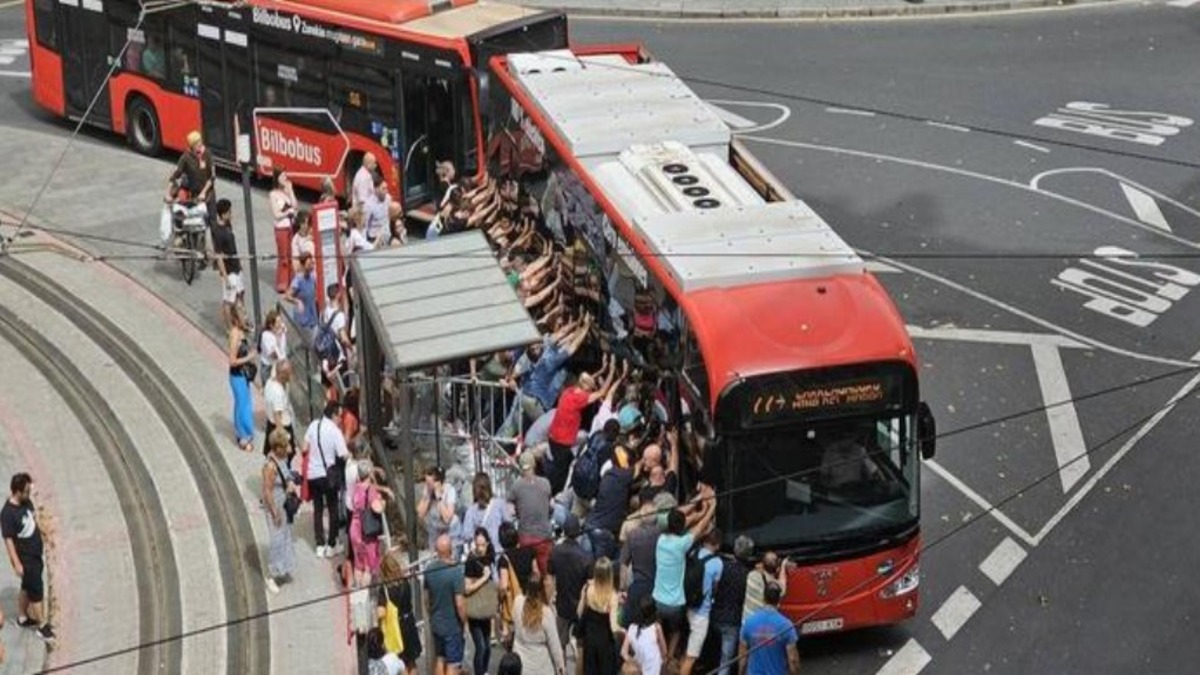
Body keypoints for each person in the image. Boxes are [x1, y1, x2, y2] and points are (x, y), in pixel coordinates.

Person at [653, 501, 715, 665]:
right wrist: (711, 506)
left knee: (657, 628)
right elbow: (701, 527)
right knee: (676, 631)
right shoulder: (682, 544)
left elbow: (679, 520)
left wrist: (697, 502)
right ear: (681, 527)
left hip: (657, 600)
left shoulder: (660, 540)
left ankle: (658, 654)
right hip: (675, 604)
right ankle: (668, 658)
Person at [1, 473, 54, 643]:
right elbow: (8, 541)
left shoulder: (26, 501)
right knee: (36, 592)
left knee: (26, 587)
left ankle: (23, 618)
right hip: (26, 559)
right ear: (17, 492)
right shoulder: (7, 514)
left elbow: (33, 518)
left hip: (35, 554)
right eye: (26, 491)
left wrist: (43, 534)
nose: (29, 493)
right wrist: (16, 563)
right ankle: (42, 626)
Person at [546, 369, 609, 496]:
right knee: (560, 472)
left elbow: (584, 382)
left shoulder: (569, 391)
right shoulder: (580, 399)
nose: (591, 390)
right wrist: (611, 371)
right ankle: (553, 493)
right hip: (562, 442)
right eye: (590, 388)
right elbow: (602, 392)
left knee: (566, 460)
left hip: (553, 437)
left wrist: (602, 369)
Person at [302, 400, 350, 558]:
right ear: (334, 414)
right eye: (340, 416)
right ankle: (332, 544)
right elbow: (343, 454)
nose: (340, 420)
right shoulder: (335, 431)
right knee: (333, 508)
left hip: (313, 475)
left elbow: (304, 447)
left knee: (318, 508)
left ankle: (319, 544)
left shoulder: (313, 425)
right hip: (328, 475)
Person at [546, 514, 592, 654]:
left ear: (564, 531)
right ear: (578, 532)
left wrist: (548, 601)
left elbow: (550, 578)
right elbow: (590, 585)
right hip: (580, 607)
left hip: (562, 605)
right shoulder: (585, 557)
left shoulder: (555, 552)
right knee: (580, 645)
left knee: (560, 645)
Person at [682, 529, 724, 675]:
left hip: (687, 606)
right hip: (701, 613)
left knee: (688, 648)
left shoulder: (694, 553)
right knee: (691, 657)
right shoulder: (717, 563)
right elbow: (715, 588)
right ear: (717, 545)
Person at [261, 429, 298, 593]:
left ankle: (283, 567)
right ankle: (271, 576)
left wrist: (290, 482)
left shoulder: (281, 458)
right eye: (284, 445)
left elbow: (287, 472)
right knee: (276, 540)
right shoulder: (269, 466)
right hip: (275, 505)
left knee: (285, 536)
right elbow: (267, 490)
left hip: (284, 503)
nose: (288, 448)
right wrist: (274, 512)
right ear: (278, 448)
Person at [711, 535, 754, 675]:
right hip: (732, 621)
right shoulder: (747, 575)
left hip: (715, 615)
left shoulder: (723, 566)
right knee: (726, 660)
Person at [584, 442, 633, 563]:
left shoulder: (609, 474)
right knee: (602, 570)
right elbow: (634, 469)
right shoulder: (622, 476)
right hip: (602, 533)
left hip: (592, 526)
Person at [425, 534, 467, 675]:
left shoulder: (429, 569)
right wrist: (464, 621)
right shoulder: (456, 572)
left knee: (440, 658)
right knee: (453, 663)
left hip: (437, 624)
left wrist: (431, 614)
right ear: (451, 550)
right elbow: (460, 604)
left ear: (437, 551)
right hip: (452, 625)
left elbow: (426, 598)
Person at [739, 583, 800, 675]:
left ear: (763, 598)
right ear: (779, 600)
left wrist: (741, 673)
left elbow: (743, 658)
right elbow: (793, 660)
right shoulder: (786, 626)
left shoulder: (748, 623)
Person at [509, 451, 553, 574]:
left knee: (529, 574)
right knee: (546, 573)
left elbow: (510, 509)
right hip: (544, 536)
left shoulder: (516, 486)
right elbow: (550, 504)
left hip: (525, 537)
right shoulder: (546, 483)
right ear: (534, 465)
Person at [512, 574, 565, 675]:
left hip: (521, 665)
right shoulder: (546, 613)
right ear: (542, 590)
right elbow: (555, 646)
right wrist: (560, 668)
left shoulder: (518, 603)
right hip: (542, 667)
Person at [577, 556, 621, 675]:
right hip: (605, 642)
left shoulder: (588, 589)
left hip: (590, 638)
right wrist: (624, 631)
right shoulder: (612, 596)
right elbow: (613, 627)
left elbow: (579, 612)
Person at [378, 553, 422, 671]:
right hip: (409, 622)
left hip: (396, 628)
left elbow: (381, 613)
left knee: (400, 662)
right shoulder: (405, 582)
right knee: (412, 662)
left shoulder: (385, 589)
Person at [165, 130, 216, 228]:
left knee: (213, 222)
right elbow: (175, 175)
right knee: (194, 223)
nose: (200, 144)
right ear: (191, 146)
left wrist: (204, 192)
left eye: (200, 141)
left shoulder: (207, 154)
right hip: (195, 196)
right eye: (197, 143)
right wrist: (168, 193)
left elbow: (212, 176)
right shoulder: (186, 158)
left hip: (208, 194)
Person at [463, 528, 497, 675]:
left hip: (487, 609)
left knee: (488, 646)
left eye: (483, 545)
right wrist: (483, 578)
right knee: (481, 646)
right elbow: (467, 588)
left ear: (488, 543)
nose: (480, 548)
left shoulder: (490, 557)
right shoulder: (471, 561)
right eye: (478, 545)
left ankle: (484, 671)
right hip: (475, 610)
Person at [349, 461, 386, 586]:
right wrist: (382, 502)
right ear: (369, 473)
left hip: (354, 527)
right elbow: (378, 508)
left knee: (358, 563)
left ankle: (358, 590)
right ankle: (365, 593)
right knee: (368, 566)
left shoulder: (356, 487)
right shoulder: (370, 490)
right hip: (366, 530)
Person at [227, 305, 257, 453]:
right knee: (242, 405)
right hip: (237, 375)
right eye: (242, 314)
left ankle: (246, 431)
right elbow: (232, 360)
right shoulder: (234, 334)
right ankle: (242, 436)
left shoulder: (242, 331)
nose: (245, 316)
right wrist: (248, 358)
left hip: (243, 375)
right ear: (236, 318)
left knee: (245, 403)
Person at [212, 199, 245, 331]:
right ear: (223, 214)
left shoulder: (228, 225)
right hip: (229, 271)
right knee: (228, 300)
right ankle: (230, 328)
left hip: (236, 267)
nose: (231, 214)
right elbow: (219, 257)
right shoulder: (218, 232)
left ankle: (240, 318)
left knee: (241, 293)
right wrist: (225, 278)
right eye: (229, 212)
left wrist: (240, 263)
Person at [460, 472, 507, 554]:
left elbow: (467, 535)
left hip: (482, 555)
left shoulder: (471, 511)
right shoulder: (500, 504)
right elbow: (508, 527)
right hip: (499, 551)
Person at [416, 467, 458, 552]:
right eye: (426, 482)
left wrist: (439, 497)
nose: (427, 485)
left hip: (449, 532)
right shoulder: (428, 491)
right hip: (434, 533)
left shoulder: (450, 491)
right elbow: (420, 514)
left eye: (429, 483)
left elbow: (447, 518)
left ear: (437, 482)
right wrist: (427, 497)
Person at [269, 168, 298, 293]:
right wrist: (287, 212)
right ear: (277, 178)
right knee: (284, 256)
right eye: (282, 177)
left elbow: (295, 205)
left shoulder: (286, 192)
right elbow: (276, 214)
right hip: (281, 228)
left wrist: (290, 191)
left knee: (291, 254)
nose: (285, 179)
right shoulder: (273, 194)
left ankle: (292, 280)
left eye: (285, 176)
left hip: (290, 226)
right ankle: (282, 282)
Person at [621, 596, 665, 675]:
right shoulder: (656, 627)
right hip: (653, 668)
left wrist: (634, 663)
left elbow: (623, 652)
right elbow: (664, 651)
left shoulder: (632, 628)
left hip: (639, 663)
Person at [284, 252, 318, 335]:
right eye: (309, 264)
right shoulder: (298, 280)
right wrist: (297, 301)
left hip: (313, 317)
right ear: (303, 265)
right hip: (303, 320)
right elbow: (287, 296)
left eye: (312, 263)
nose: (312, 266)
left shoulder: (312, 277)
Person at [258, 308, 288, 387]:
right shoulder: (266, 336)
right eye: (278, 322)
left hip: (280, 365)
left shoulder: (282, 330)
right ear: (271, 325)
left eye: (280, 321)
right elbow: (273, 355)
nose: (280, 324)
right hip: (269, 367)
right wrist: (278, 337)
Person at [363, 174, 395, 246]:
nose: (386, 191)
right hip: (375, 239)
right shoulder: (369, 204)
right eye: (383, 189)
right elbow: (365, 225)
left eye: (386, 188)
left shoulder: (388, 198)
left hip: (387, 235)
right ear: (376, 189)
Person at [290, 209, 315, 278]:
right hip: (307, 271)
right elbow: (295, 262)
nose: (306, 225)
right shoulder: (296, 240)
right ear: (299, 223)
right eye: (303, 223)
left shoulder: (314, 234)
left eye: (308, 223)